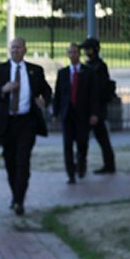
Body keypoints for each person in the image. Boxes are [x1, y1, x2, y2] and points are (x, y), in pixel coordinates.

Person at [0, 38, 52, 218]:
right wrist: (3, 89)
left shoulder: (35, 71)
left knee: (23, 161)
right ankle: (15, 195)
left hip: (27, 122)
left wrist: (44, 100)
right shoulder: (0, 70)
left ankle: (19, 200)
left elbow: (46, 90)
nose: (15, 50)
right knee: (10, 161)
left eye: (18, 47)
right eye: (12, 47)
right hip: (7, 122)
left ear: (25, 50)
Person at [52, 43, 99, 184]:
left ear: (79, 54)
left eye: (75, 52)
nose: (73, 55)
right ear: (67, 54)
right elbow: (58, 95)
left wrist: (94, 113)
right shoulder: (63, 73)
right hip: (67, 114)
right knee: (67, 145)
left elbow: (93, 95)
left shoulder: (88, 72)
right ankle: (71, 173)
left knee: (82, 142)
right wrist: (55, 114)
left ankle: (82, 163)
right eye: (70, 52)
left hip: (83, 115)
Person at [80, 38, 116, 174]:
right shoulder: (90, 65)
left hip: (97, 109)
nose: (85, 52)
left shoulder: (99, 66)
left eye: (87, 49)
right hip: (89, 108)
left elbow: (99, 89)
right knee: (85, 138)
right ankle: (83, 164)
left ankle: (109, 165)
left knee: (101, 138)